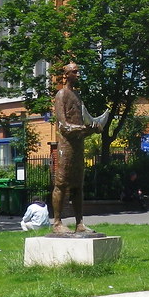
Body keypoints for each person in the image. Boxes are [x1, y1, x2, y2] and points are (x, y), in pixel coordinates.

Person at [51, 62, 105, 234]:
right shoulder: (62, 94)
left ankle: (79, 223)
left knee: (78, 186)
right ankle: (57, 222)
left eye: (78, 71)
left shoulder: (77, 96)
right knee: (61, 184)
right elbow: (63, 126)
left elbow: (80, 128)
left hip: (78, 146)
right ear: (66, 75)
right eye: (75, 72)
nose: (78, 74)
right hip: (66, 147)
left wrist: (93, 129)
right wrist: (84, 128)